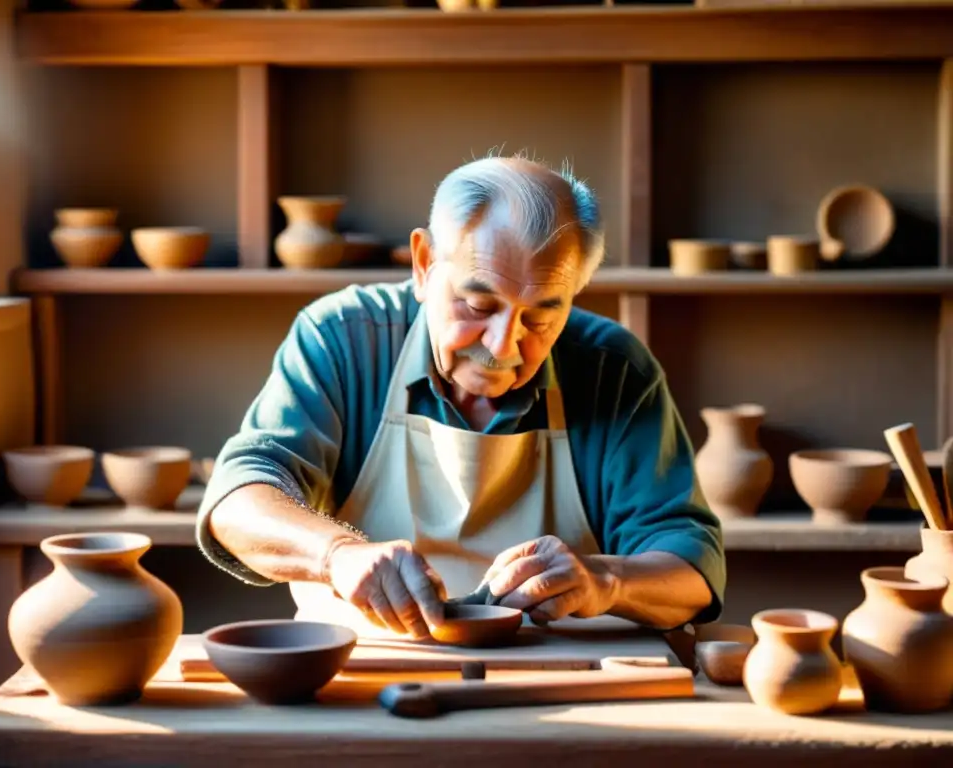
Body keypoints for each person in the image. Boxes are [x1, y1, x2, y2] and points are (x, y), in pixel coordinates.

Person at [196, 154, 726, 641]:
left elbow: (693, 568)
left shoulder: (615, 370)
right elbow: (238, 499)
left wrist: (607, 580)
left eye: (540, 316)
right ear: (424, 264)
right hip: (362, 666)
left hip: (556, 673)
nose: (504, 345)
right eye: (477, 304)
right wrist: (338, 554)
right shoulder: (342, 339)